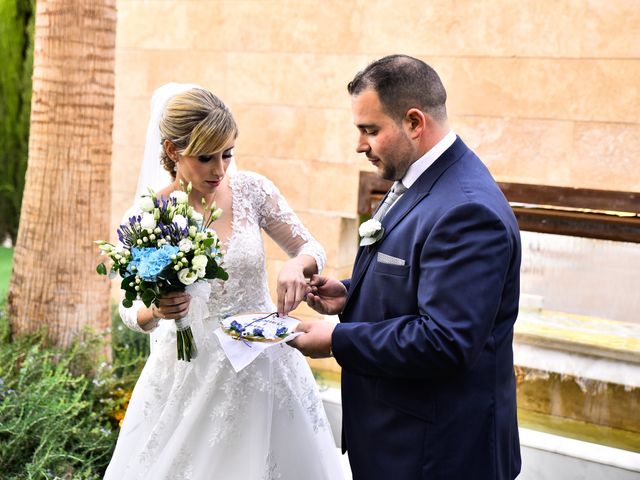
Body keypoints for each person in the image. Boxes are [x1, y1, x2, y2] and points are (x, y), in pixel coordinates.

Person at [290, 55, 522, 479]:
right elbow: (421, 281)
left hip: (436, 455)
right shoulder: (421, 179)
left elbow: (445, 340)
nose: (360, 145)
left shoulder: (468, 210)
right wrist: (350, 293)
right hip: (398, 443)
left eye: (370, 130)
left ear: (414, 122)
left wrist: (338, 340)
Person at [104, 84, 344, 480]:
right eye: (205, 157)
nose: (220, 169)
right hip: (191, 372)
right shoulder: (151, 216)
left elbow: (310, 247)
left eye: (227, 154)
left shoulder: (253, 190)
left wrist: (296, 265)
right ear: (172, 151)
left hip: (266, 361)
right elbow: (129, 309)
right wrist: (157, 309)